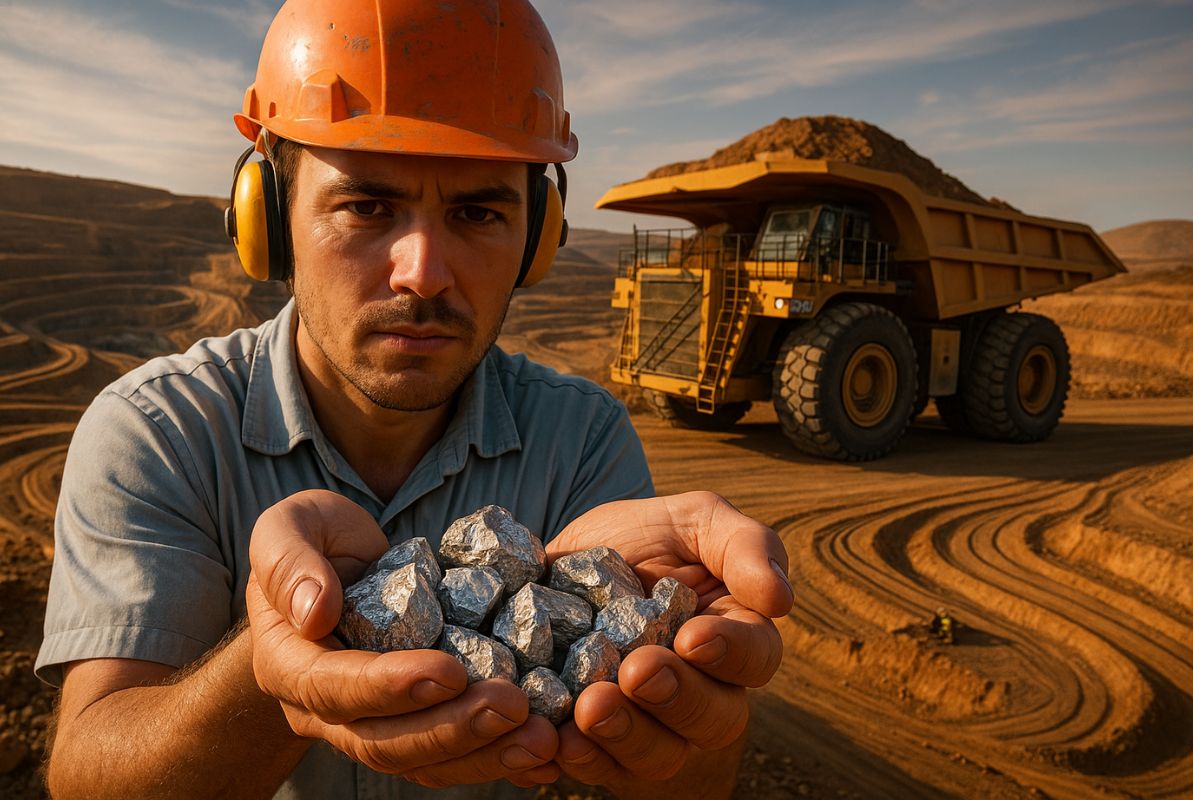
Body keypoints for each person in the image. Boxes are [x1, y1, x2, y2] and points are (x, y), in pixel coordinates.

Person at [36, 1, 792, 798]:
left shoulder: (582, 435)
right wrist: (274, 672)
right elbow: (90, 779)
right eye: (366, 205)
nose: (422, 272)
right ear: (268, 219)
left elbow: (691, 779)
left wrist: (682, 678)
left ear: (538, 237)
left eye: (478, 211)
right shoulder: (156, 432)